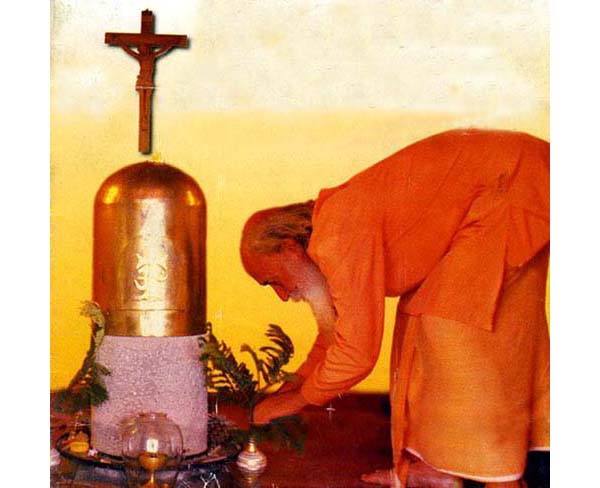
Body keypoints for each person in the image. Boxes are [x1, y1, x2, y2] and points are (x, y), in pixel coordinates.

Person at [240, 129, 549, 488]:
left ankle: (500, 478)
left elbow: (356, 352)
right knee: (419, 325)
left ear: (290, 249)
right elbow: (337, 332)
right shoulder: (332, 235)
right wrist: (295, 382)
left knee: (454, 326)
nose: (281, 295)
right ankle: (437, 469)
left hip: (514, 183)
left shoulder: (337, 236)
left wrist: (292, 403)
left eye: (272, 281)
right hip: (511, 180)